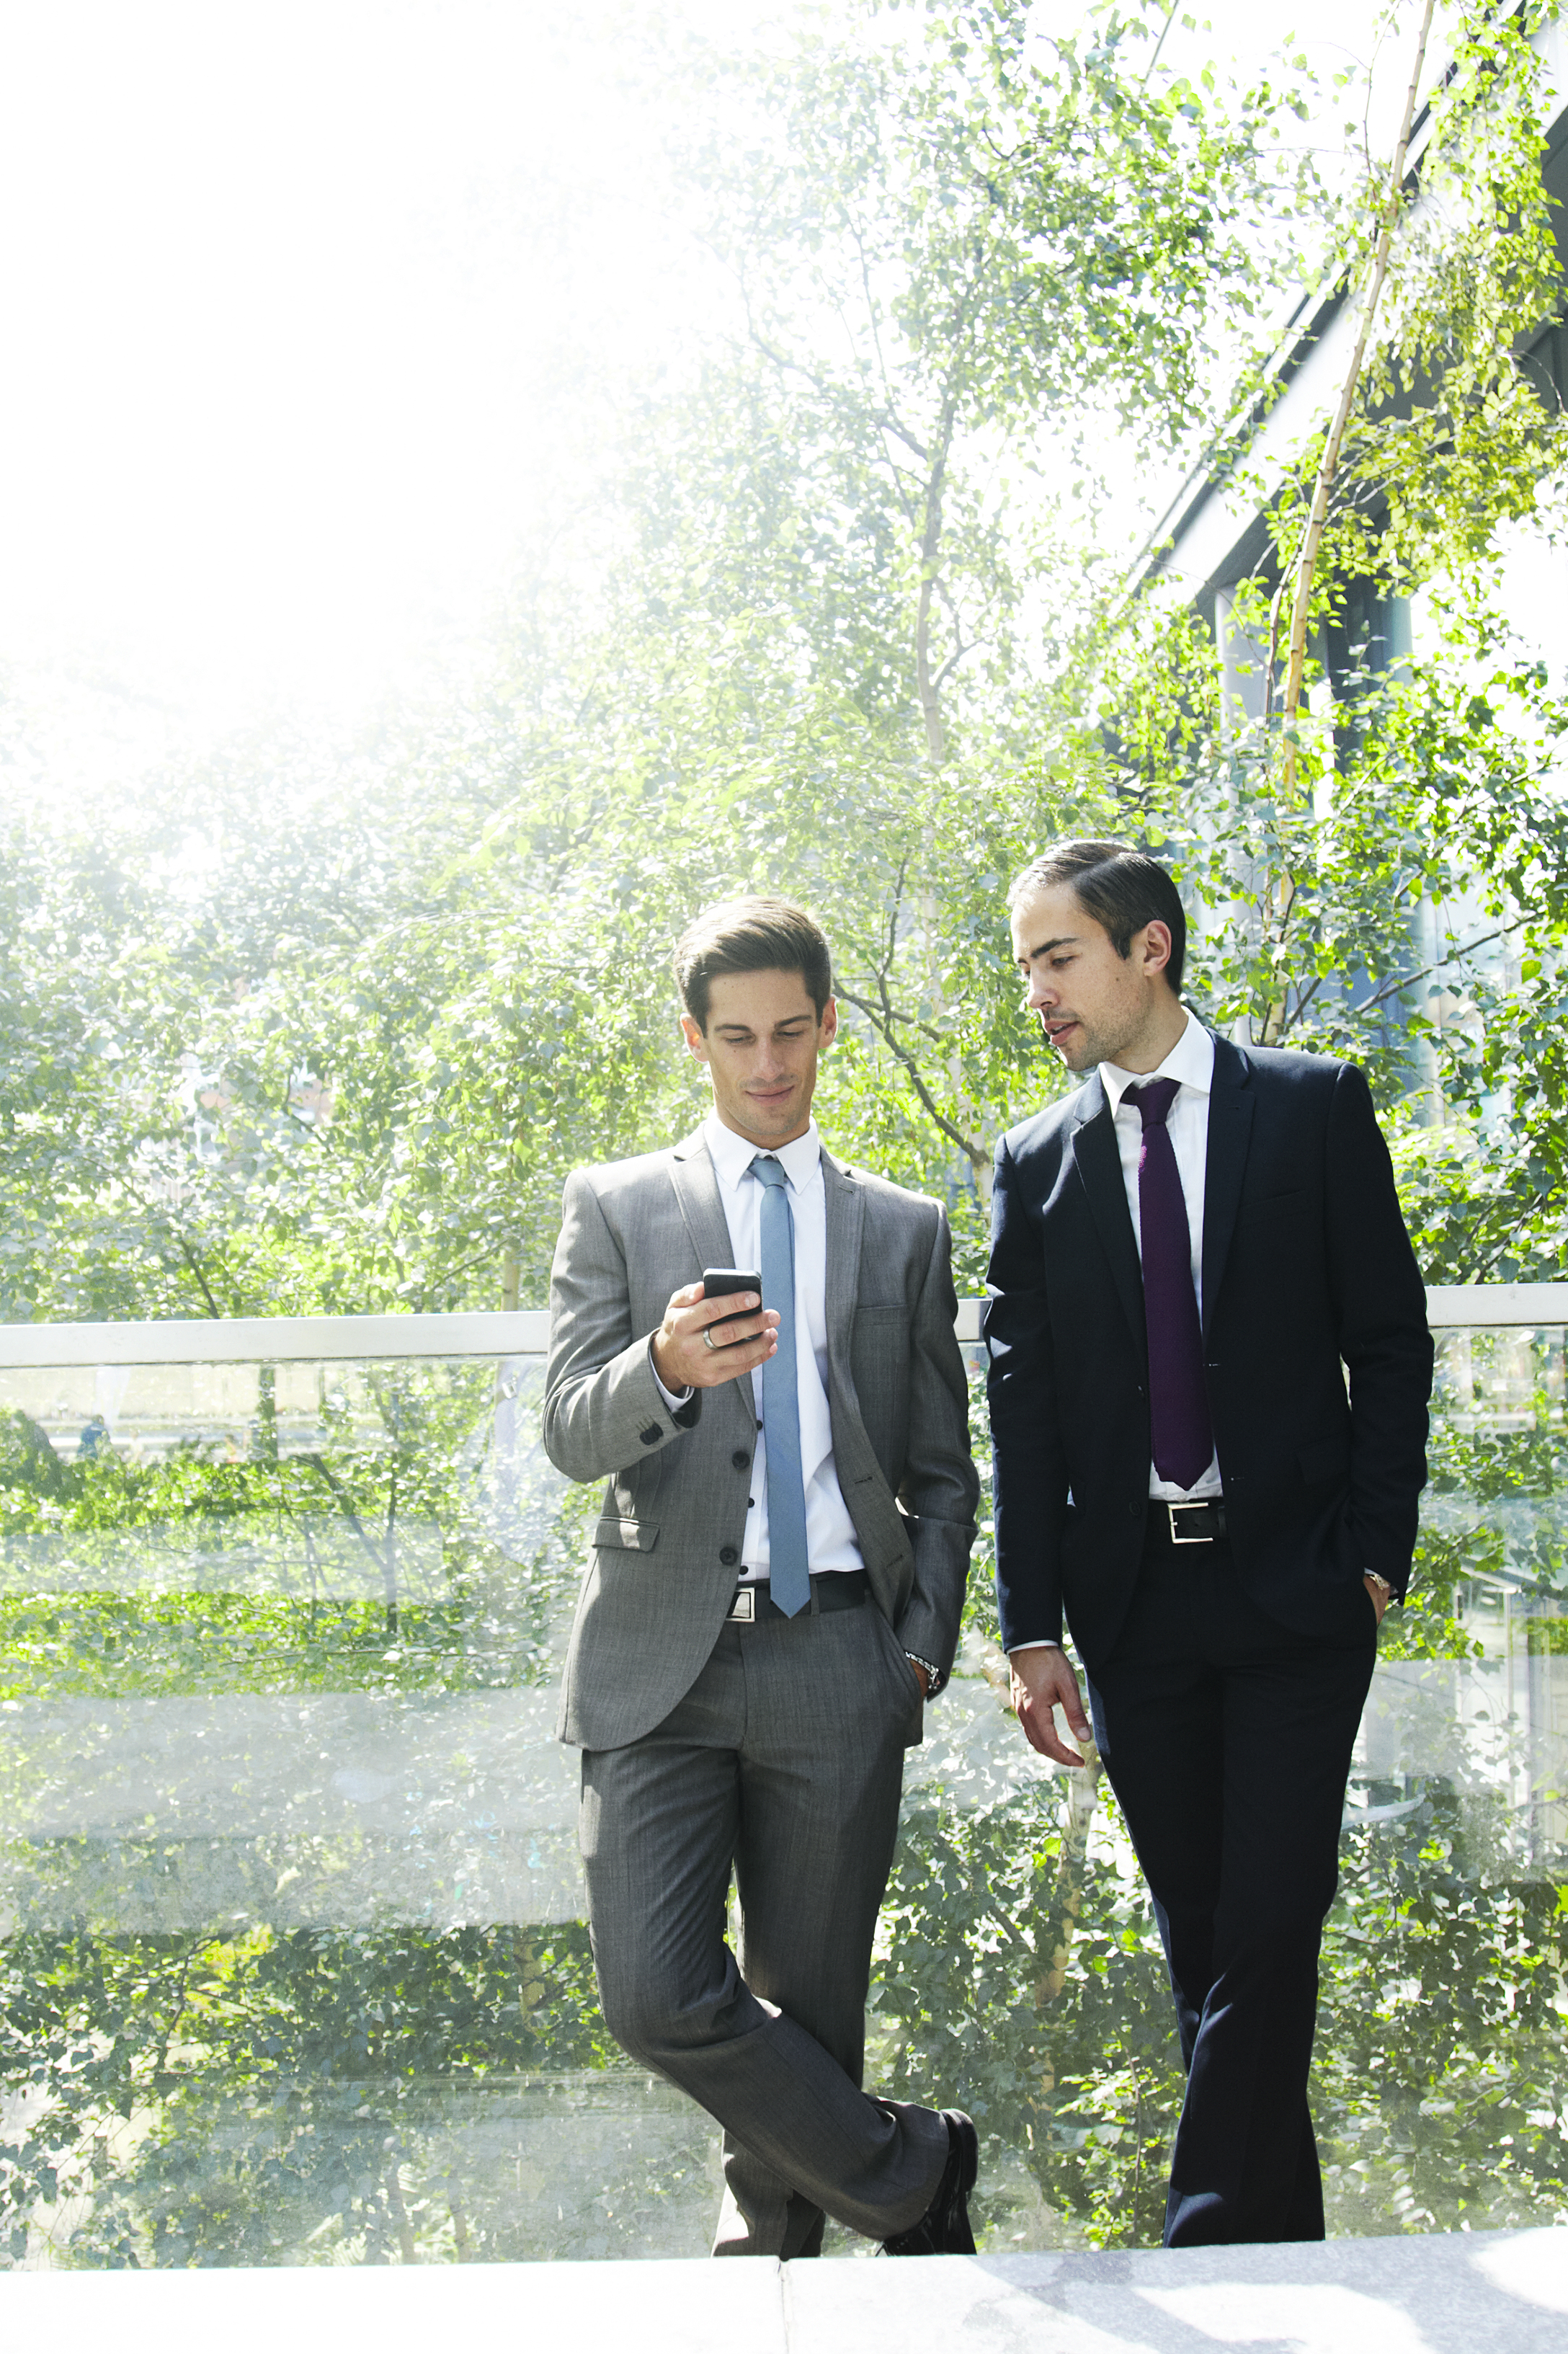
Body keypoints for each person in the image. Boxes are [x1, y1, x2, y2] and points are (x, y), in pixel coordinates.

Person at [981, 840, 1433, 2247]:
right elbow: (1027, 1412)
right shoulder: (1034, 1160)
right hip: (1132, 1609)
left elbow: (1389, 1343)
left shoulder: (1308, 1108)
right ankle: (1268, 2254)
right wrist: (1032, 1628)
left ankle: (1202, 2225)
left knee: (1269, 1923)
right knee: (1208, 1944)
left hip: (1299, 1588)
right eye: (1026, 968)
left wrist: (1373, 1550)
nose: (1038, 992)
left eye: (1057, 958)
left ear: (1149, 947)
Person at [541, 895, 983, 2257]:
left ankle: (774, 2258)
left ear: (829, 1025)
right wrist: (663, 1367)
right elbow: (566, 1428)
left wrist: (914, 1648)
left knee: (812, 2003)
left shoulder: (900, 1227)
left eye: (792, 1030)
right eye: (736, 1036)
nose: (768, 1063)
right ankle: (916, 2174)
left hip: (838, 1650)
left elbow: (942, 1465)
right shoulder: (616, 1205)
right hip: (657, 1660)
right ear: (695, 1040)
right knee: (655, 1995)